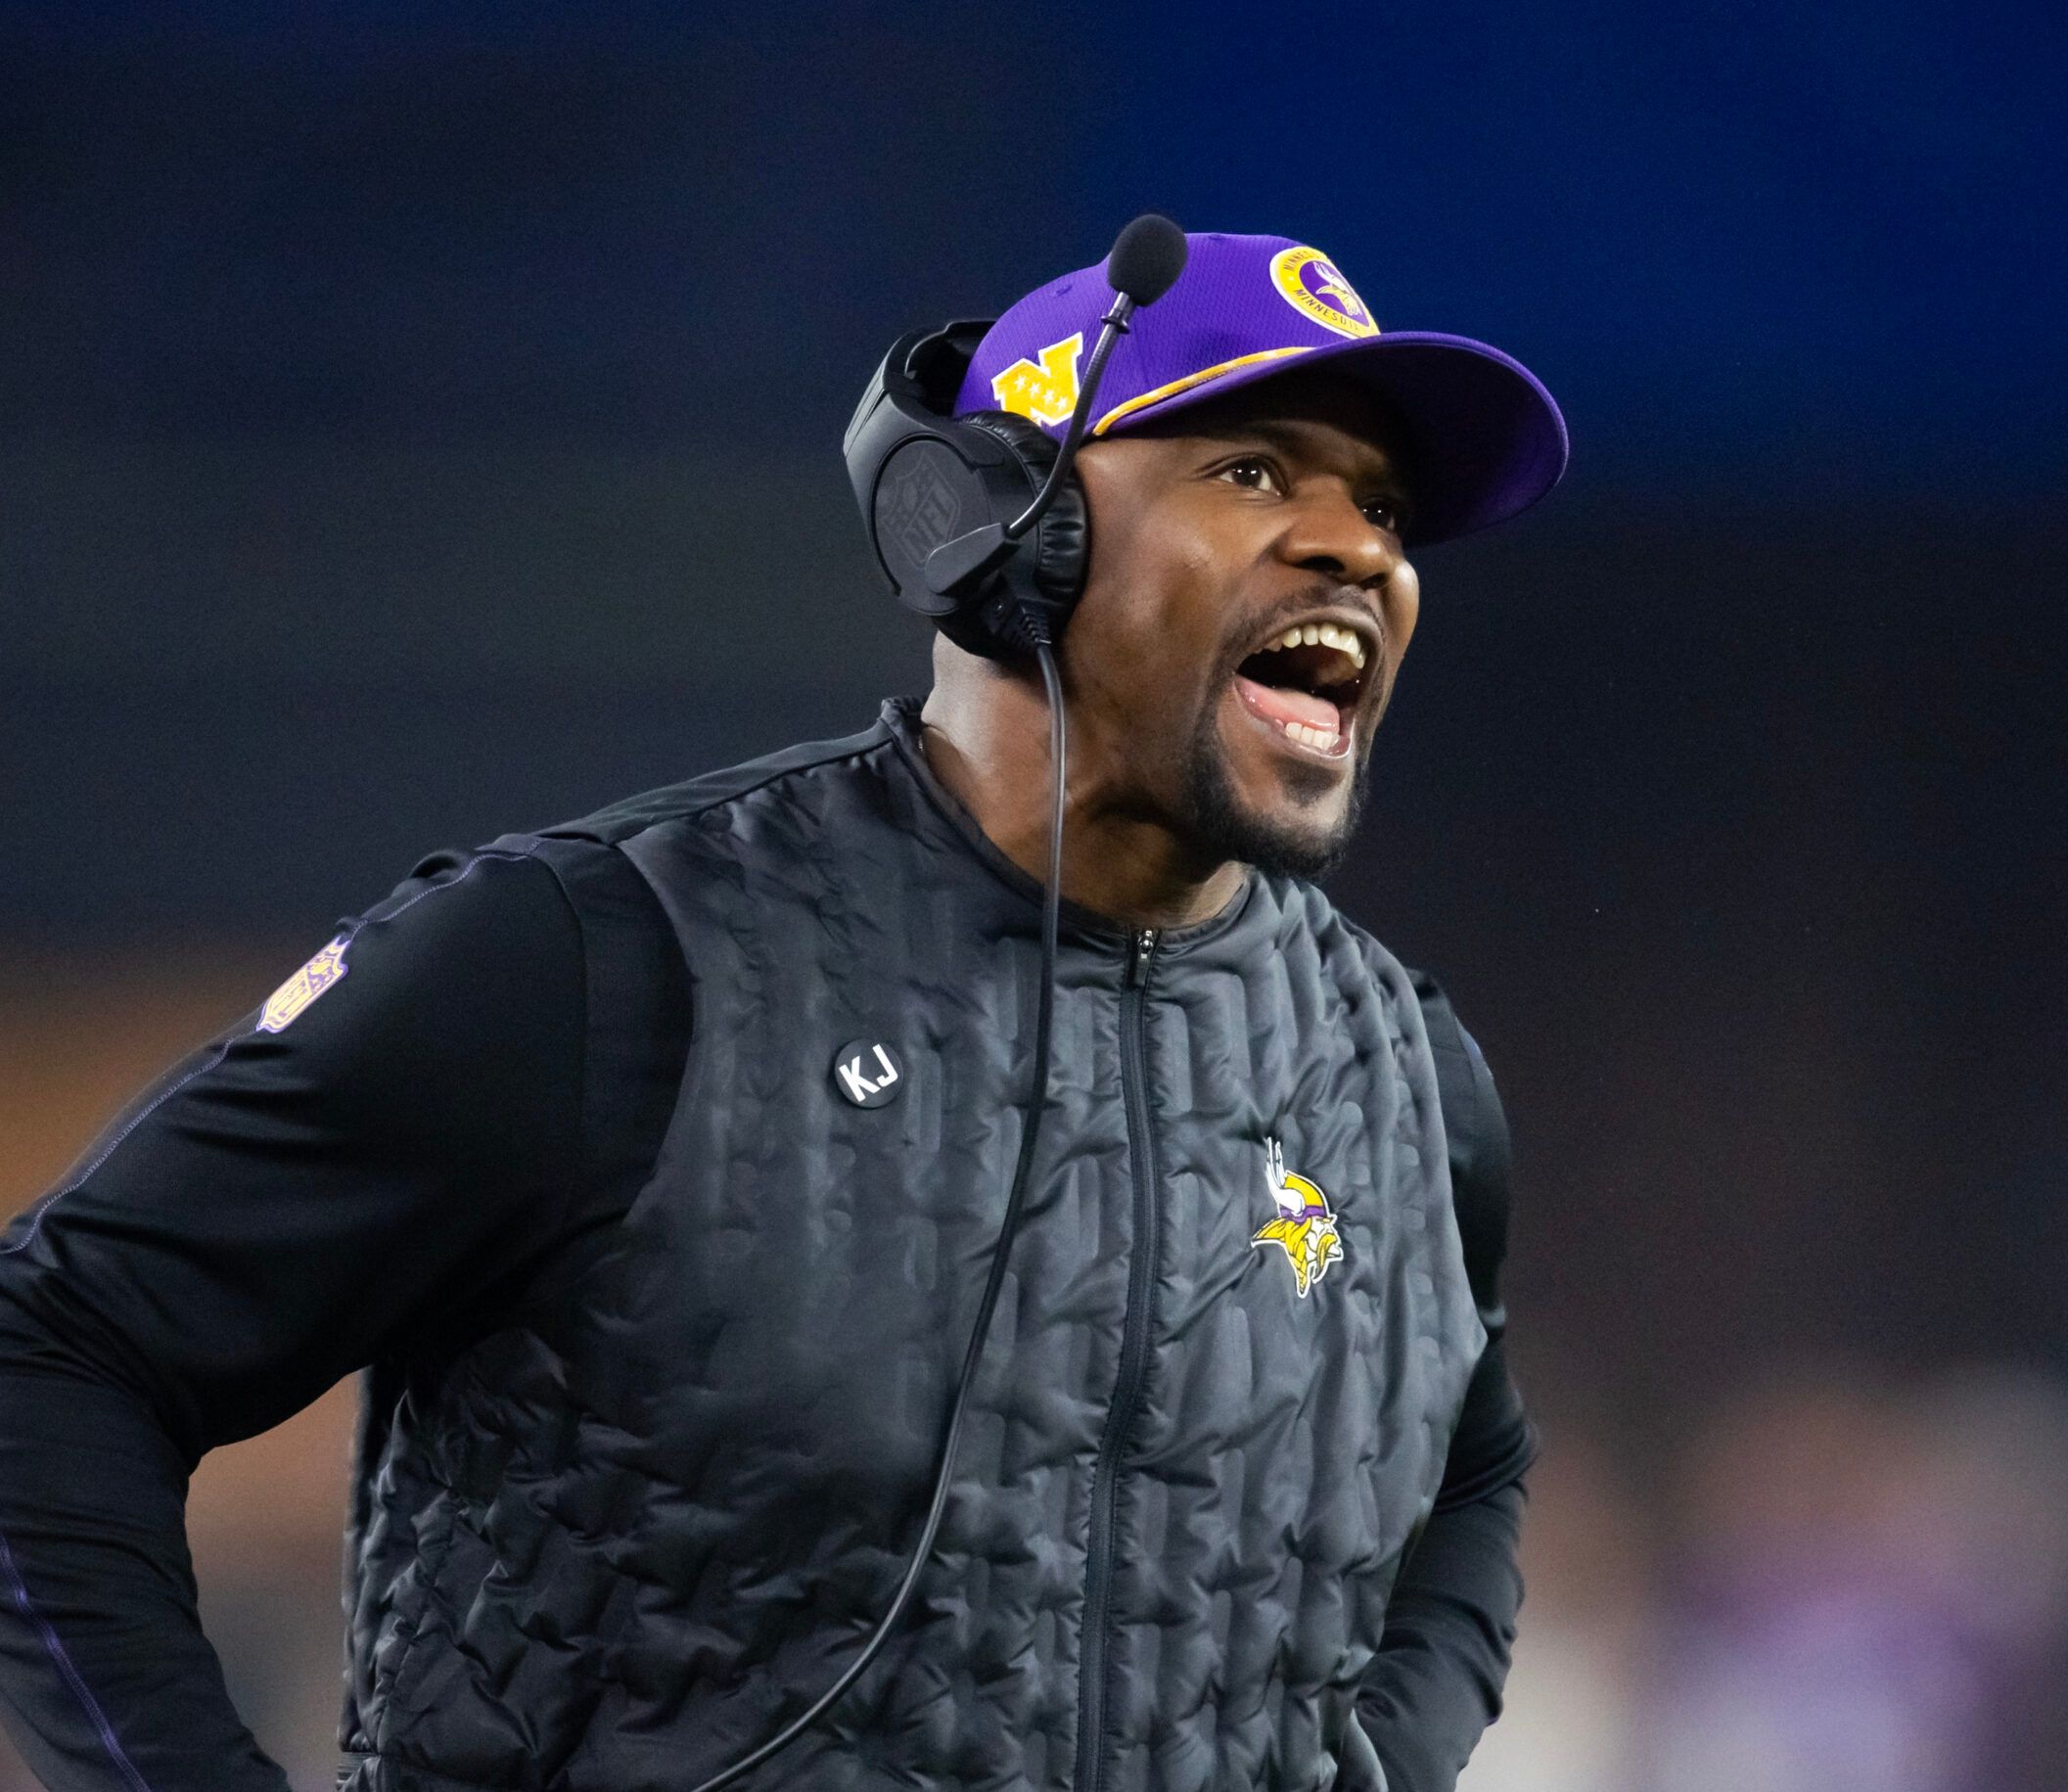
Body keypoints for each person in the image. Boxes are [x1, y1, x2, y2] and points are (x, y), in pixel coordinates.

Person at [0, 228, 1567, 1792]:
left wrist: (1383, 1757)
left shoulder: (1404, 1079)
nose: (1355, 550)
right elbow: (55, 1352)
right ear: (1009, 529)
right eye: (1253, 472)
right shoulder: (603, 960)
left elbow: (1473, 1473)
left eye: (1383, 509)